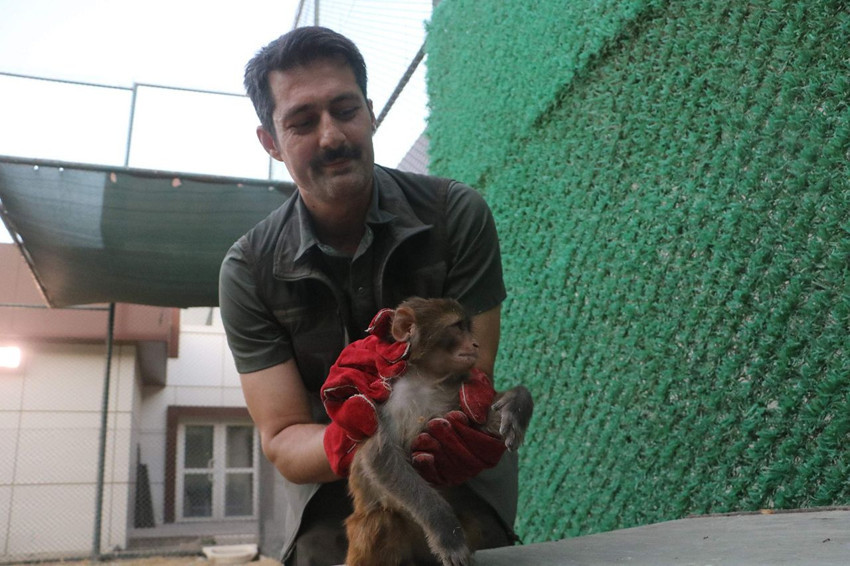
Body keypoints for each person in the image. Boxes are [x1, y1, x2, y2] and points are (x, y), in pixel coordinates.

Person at [219, 26, 518, 566]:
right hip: (335, 492)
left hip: (453, 468)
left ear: (371, 112)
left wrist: (465, 420)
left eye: (344, 109)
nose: (332, 136)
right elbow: (284, 440)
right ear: (270, 141)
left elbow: (474, 375)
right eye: (303, 122)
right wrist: (353, 442)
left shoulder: (455, 216)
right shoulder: (249, 270)